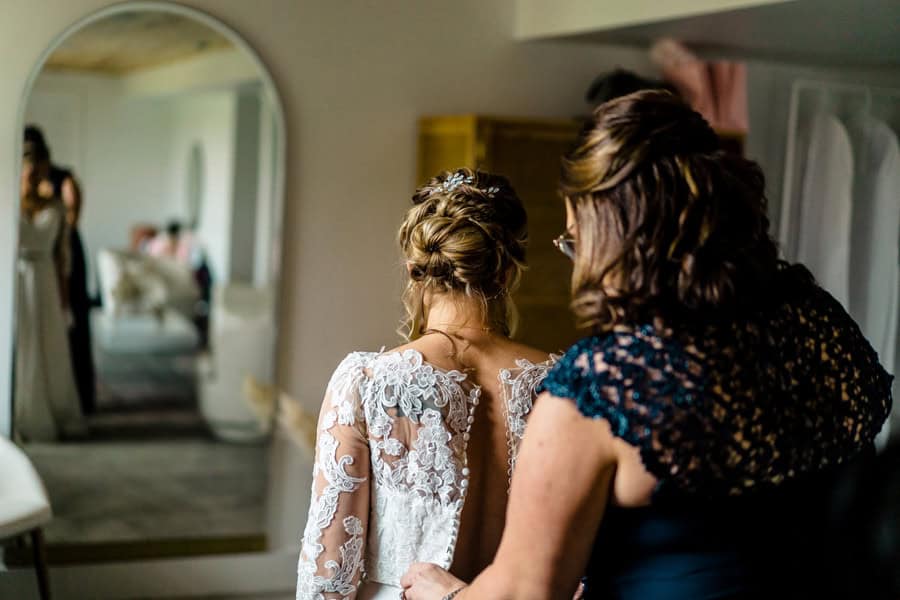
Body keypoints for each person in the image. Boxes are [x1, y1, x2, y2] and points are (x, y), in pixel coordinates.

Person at [401, 91, 893, 600]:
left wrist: (448, 595)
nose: (580, 265)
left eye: (575, 240)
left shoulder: (601, 387)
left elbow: (527, 593)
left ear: (615, 234)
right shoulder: (820, 332)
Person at [295, 169, 557, 599]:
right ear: (508, 273)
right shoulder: (561, 382)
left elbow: (327, 578)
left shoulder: (366, 382)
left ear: (414, 270)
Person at [16, 133, 86, 441]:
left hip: (44, 277)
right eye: (27, 170)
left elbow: (62, 257)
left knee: (50, 346)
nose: (32, 177)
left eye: (37, 170)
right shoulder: (7, 203)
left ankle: (56, 413)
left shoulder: (56, 207)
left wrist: (64, 298)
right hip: (16, 279)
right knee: (23, 347)